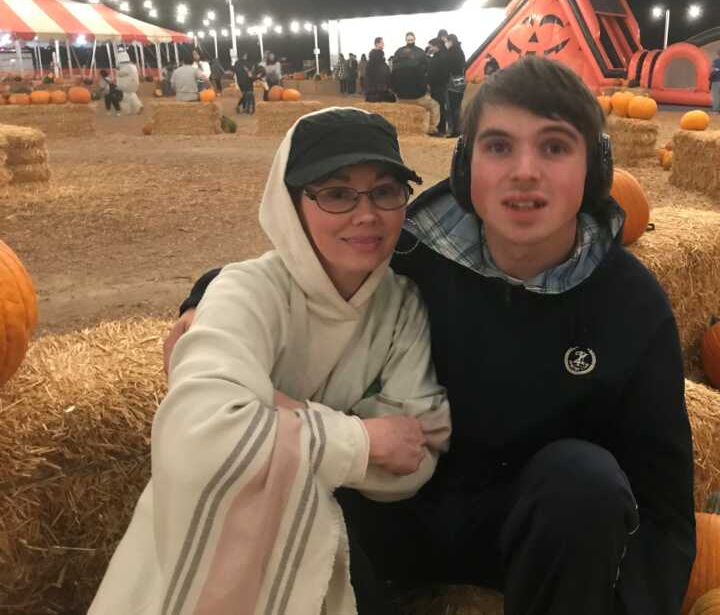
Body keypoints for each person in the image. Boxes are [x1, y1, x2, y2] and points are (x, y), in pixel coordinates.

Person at [164, 56, 696, 614]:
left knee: (587, 482)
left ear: (596, 168)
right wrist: (204, 300)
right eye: (498, 146)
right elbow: (299, 270)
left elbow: (663, 502)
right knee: (294, 483)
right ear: (466, 166)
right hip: (389, 512)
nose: (524, 171)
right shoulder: (416, 248)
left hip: (527, 533)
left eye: (555, 147)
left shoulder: (630, 305)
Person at [89, 107, 451, 614]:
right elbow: (201, 437)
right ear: (289, 204)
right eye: (336, 192)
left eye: (386, 191)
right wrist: (361, 440)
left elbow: (418, 453)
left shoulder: (403, 305)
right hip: (218, 535)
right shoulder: (246, 292)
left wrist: (272, 411)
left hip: (353, 542)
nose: (366, 213)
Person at [391, 32, 441, 136]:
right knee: (435, 106)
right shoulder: (418, 60)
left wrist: (396, 92)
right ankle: (432, 129)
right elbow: (422, 79)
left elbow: (393, 80)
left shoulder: (396, 63)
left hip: (401, 97)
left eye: (411, 40)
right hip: (417, 97)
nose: (410, 41)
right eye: (409, 40)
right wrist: (422, 92)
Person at [444, 33, 466, 138]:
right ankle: (459, 129)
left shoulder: (450, 53)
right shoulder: (460, 51)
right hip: (461, 81)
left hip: (452, 81)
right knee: (458, 106)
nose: (446, 44)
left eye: (446, 41)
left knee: (451, 107)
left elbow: (448, 67)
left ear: (451, 41)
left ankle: (452, 130)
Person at [427, 37, 449, 136]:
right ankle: (437, 129)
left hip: (439, 86)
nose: (430, 48)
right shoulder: (436, 56)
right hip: (435, 86)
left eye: (431, 46)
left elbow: (442, 73)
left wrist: (432, 81)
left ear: (437, 46)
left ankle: (440, 130)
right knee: (437, 107)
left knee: (439, 107)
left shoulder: (442, 57)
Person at [115, 50, 143, 115]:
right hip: (134, 85)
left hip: (127, 85)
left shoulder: (126, 67)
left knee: (124, 97)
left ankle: (125, 111)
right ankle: (138, 106)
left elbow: (120, 74)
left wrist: (116, 71)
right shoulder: (133, 66)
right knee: (131, 95)